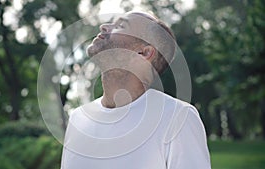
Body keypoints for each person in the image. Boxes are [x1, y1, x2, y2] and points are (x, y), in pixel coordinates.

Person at [61, 11, 211, 169]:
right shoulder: (78, 118)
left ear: (144, 53)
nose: (104, 26)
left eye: (120, 26)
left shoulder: (178, 118)